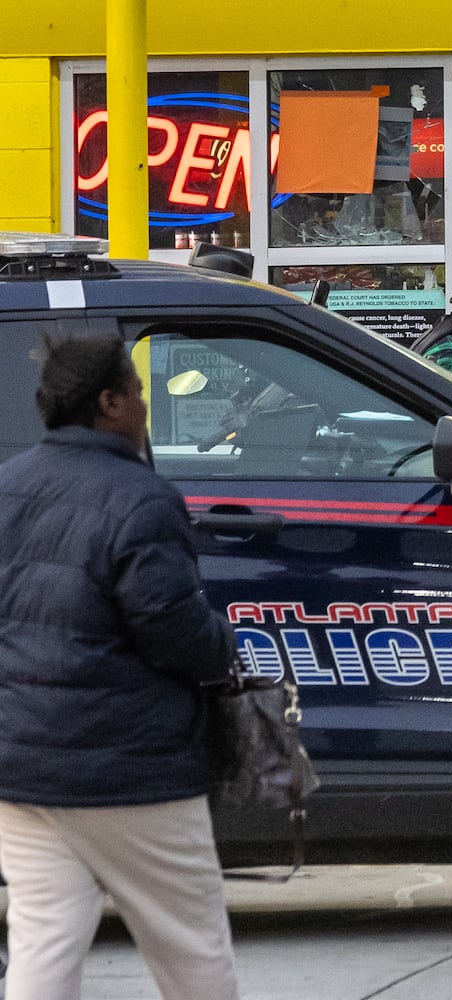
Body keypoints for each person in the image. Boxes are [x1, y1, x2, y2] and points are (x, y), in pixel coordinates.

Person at [0, 334, 240, 998]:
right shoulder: (141, 498)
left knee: (43, 942)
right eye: (136, 393)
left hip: (22, 763)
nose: (143, 407)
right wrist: (226, 647)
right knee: (191, 947)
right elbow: (170, 627)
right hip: (133, 768)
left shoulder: (7, 486)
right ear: (109, 403)